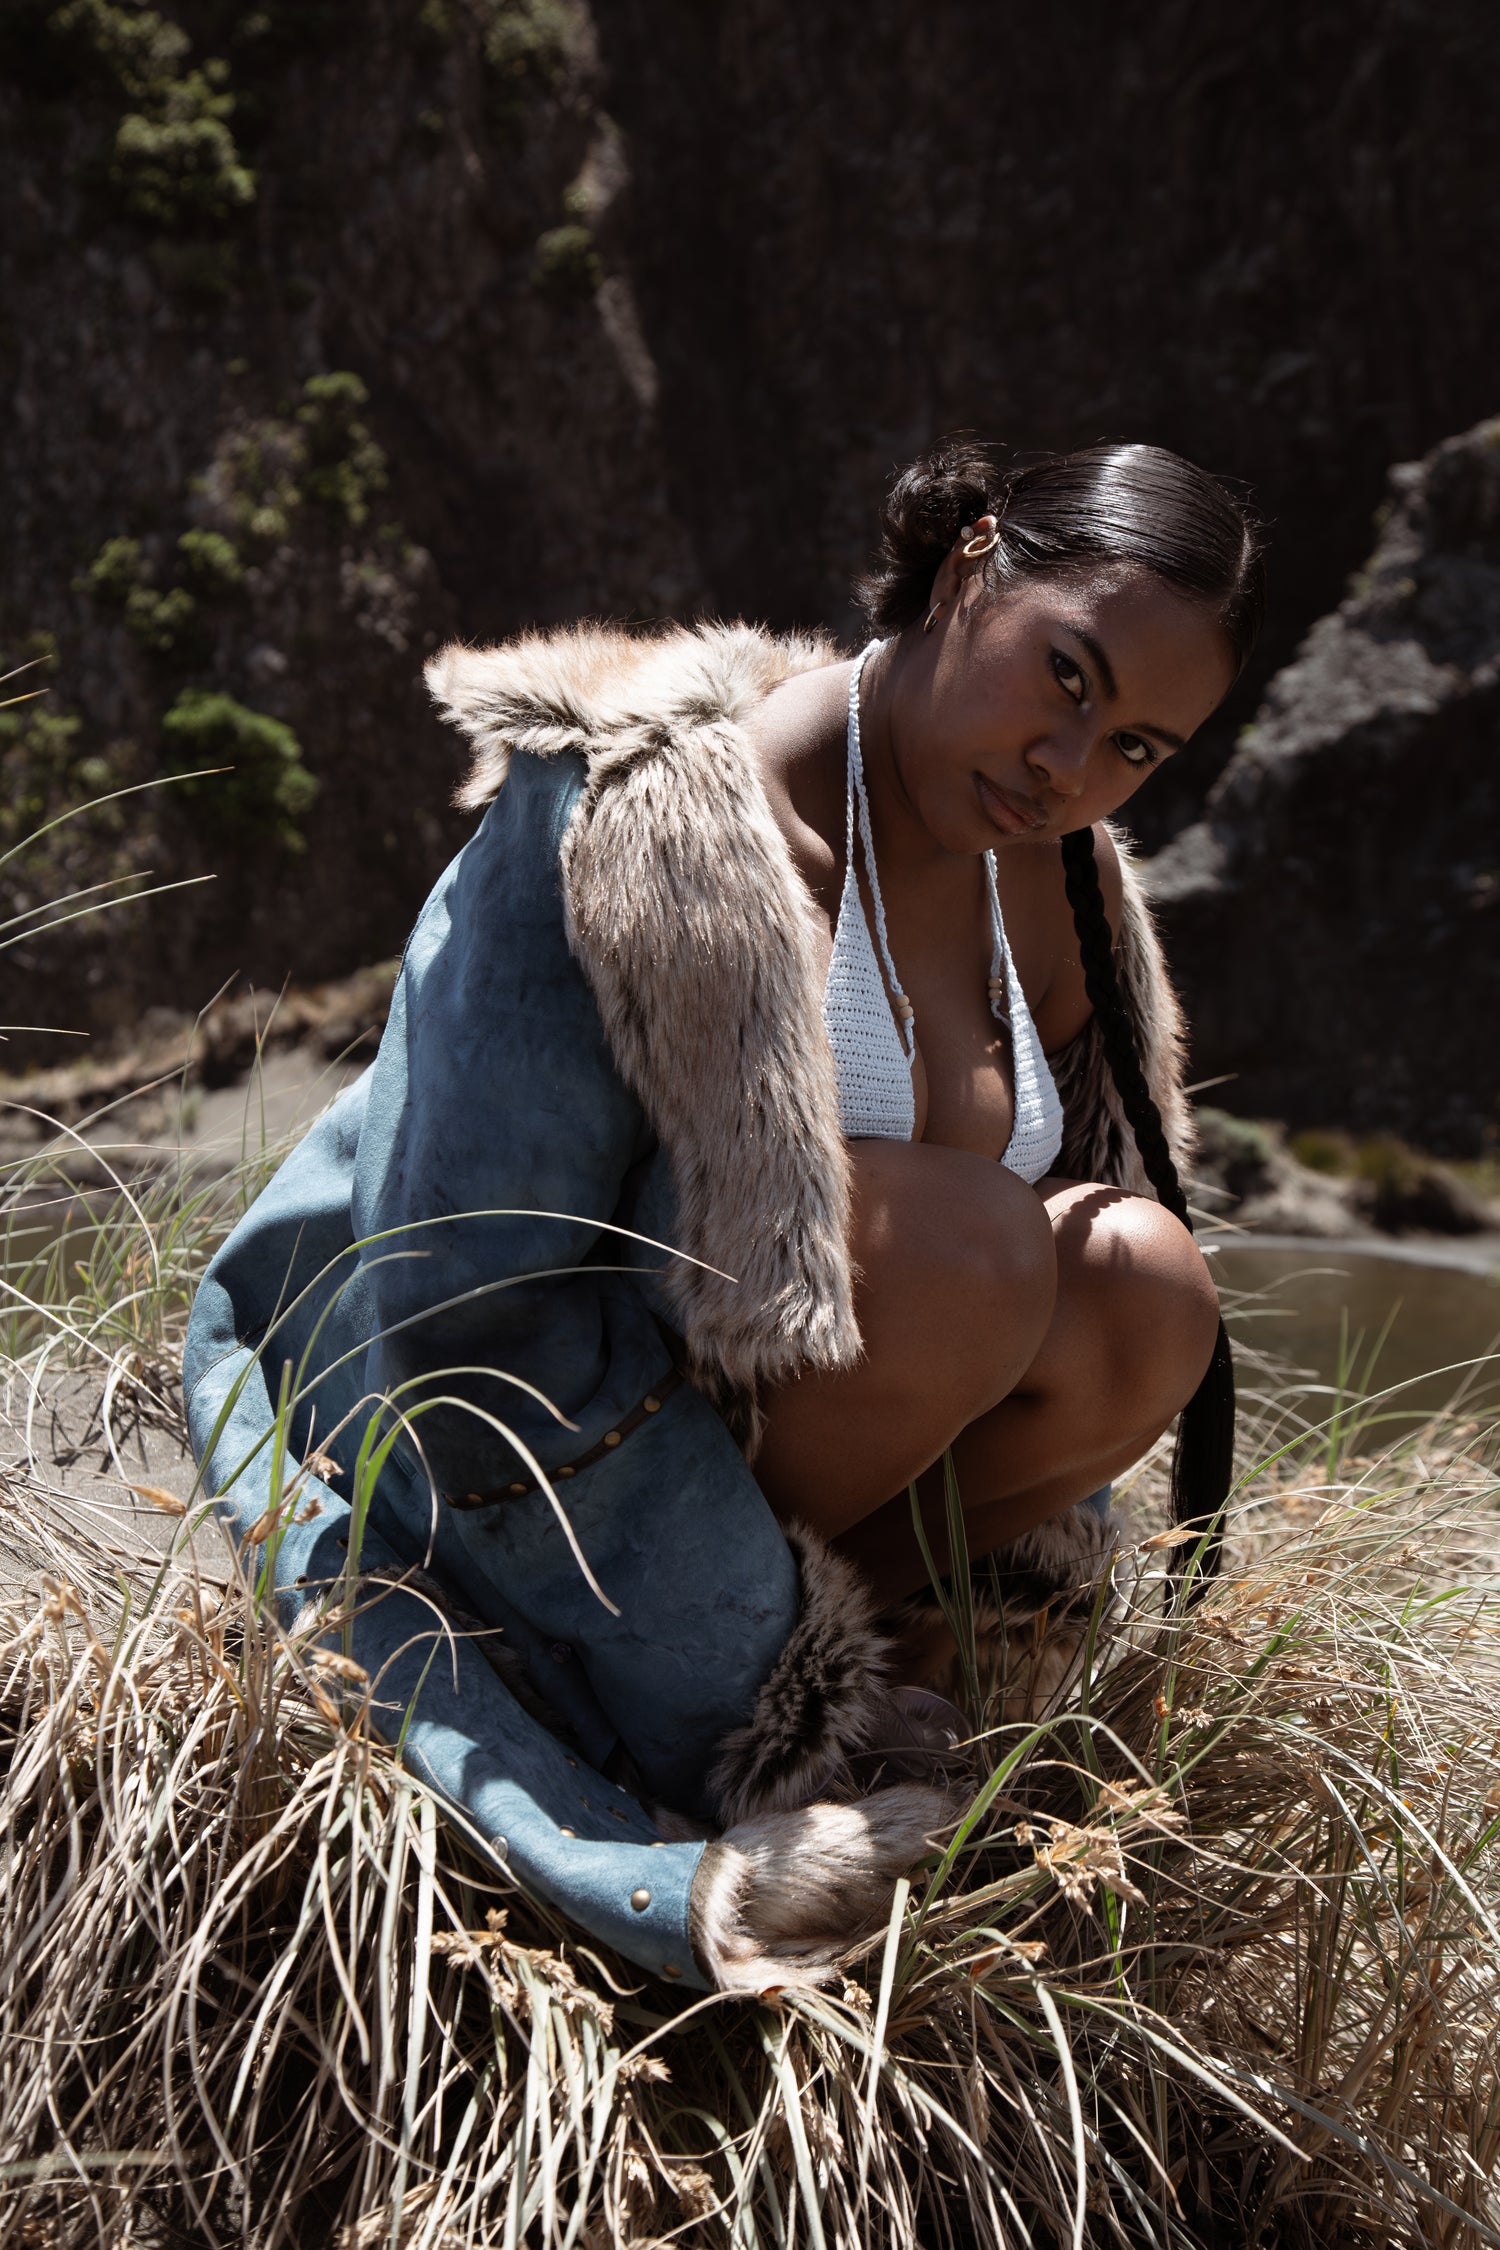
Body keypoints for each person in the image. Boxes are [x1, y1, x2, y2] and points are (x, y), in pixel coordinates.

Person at [183, 437, 1263, 1990]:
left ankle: (873, 1679)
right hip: (558, 1470)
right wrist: (709, 1648)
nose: (1069, 765)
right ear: (974, 560)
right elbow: (463, 1306)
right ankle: (706, 1706)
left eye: (1138, 746)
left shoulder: (1068, 890)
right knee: (973, 1243)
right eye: (1067, 674)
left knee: (1147, 1285)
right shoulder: (653, 818)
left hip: (846, 1516)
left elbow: (1084, 1304)